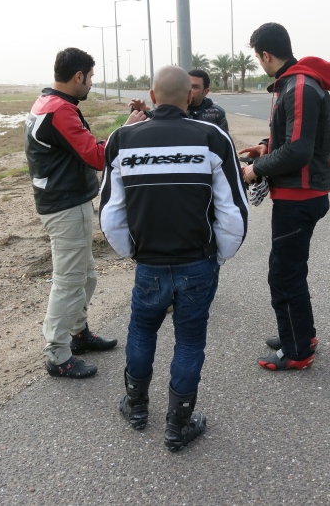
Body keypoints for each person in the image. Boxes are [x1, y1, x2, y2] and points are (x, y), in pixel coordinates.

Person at [100, 65, 248, 451]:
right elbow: (233, 210)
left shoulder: (121, 140)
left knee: (141, 330)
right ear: (189, 96)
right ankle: (177, 426)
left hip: (149, 262)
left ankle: (136, 407)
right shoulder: (211, 137)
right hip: (198, 261)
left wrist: (134, 252)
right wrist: (219, 255)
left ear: (152, 96)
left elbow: (110, 214)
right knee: (189, 340)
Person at [240, 23, 330, 371]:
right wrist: (265, 147)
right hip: (301, 192)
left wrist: (257, 169)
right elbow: (291, 137)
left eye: (258, 58)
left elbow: (298, 150)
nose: (260, 63)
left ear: (266, 54)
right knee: (291, 270)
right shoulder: (295, 83)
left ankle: (297, 351)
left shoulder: (298, 86)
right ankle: (301, 335)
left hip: (299, 196)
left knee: (283, 274)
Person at [24, 47, 118, 379]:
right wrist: (125, 132)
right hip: (65, 206)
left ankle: (78, 333)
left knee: (86, 276)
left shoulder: (45, 102)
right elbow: (96, 157)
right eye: (90, 77)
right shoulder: (61, 110)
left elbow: (80, 148)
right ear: (78, 76)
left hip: (61, 201)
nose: (91, 83)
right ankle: (57, 354)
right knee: (69, 282)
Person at [128, 69, 229, 132]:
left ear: (205, 91)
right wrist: (139, 110)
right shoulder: (174, 107)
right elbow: (152, 117)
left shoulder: (216, 113)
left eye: (195, 87)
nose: (190, 90)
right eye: (188, 85)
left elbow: (223, 143)